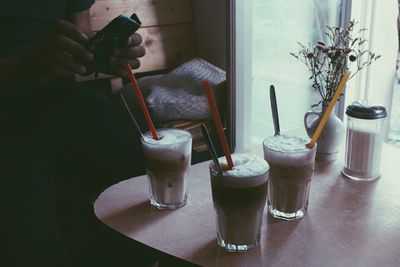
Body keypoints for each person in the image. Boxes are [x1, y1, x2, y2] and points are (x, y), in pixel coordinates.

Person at [0, 1, 197, 266]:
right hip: (10, 100)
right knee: (28, 225)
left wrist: (101, 54)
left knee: (179, 172)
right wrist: (29, 66)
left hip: (61, 98)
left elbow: (80, 35)